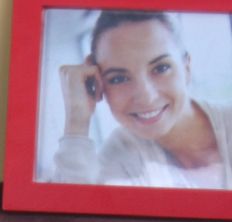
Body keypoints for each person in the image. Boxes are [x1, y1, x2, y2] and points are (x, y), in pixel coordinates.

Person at [53, 10, 232, 188]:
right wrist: (77, 120)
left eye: (161, 68)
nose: (146, 96)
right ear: (98, 86)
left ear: (186, 68)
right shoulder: (119, 155)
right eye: (118, 78)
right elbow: (69, 210)